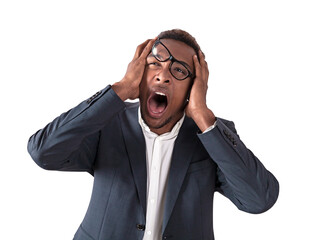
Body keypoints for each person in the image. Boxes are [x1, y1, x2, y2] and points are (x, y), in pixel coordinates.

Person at [27, 29, 279, 240]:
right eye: (154, 64)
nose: (163, 76)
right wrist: (120, 90)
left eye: (179, 71)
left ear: (194, 87)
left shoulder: (211, 135)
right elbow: (44, 152)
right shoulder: (107, 122)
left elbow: (259, 200)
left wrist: (202, 115)